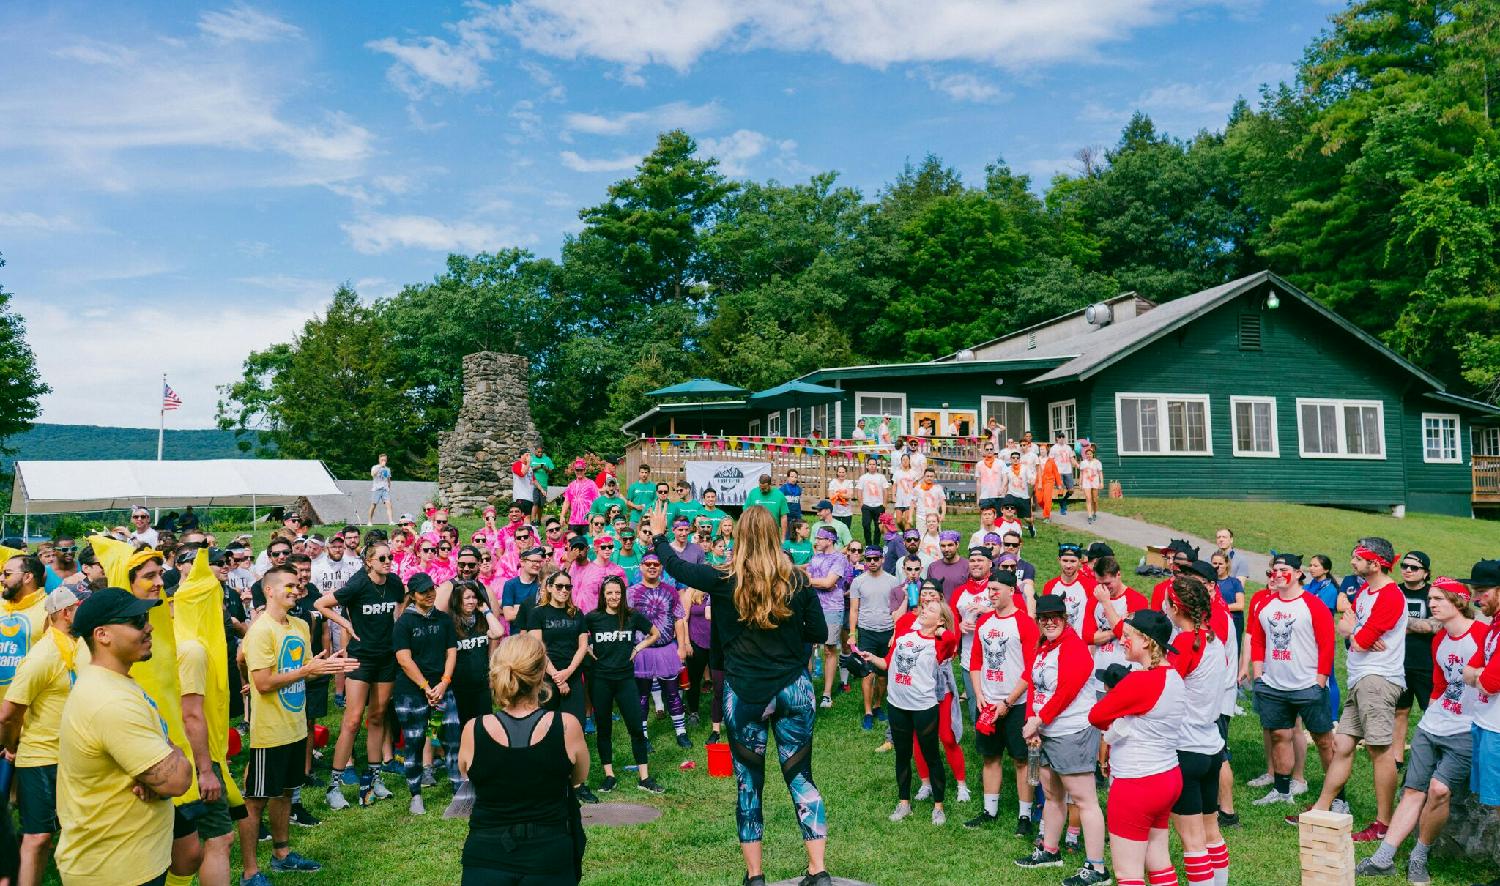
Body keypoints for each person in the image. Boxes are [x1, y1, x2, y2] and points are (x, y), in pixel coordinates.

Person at [649, 501, 832, 886]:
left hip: (744, 693)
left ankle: (756, 876)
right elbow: (818, 633)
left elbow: (679, 567)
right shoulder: (797, 580)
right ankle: (819, 871)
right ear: (774, 536)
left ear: (741, 537)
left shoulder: (724, 578)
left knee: (749, 783)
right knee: (801, 779)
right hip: (793, 690)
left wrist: (660, 535)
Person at [57, 588, 192, 886]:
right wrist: (168, 762)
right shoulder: (110, 701)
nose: (149, 626)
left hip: (128, 858)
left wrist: (157, 767)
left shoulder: (115, 682)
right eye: (136, 620)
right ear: (102, 635)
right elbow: (178, 780)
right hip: (115, 870)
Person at [1358, 576, 1485, 882]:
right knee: (1413, 790)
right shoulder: (1439, 640)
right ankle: (1383, 857)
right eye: (1430, 600)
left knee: (1439, 790)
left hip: (1467, 728)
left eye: (1439, 599)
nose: (1432, 605)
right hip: (1433, 724)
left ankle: (1419, 855)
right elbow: (1440, 684)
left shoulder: (1483, 634)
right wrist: (1431, 718)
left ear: (1459, 601)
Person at [240, 567, 355, 884]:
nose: (296, 589)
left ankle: (282, 854)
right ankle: (250, 872)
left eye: (298, 585)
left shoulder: (302, 625)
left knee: (286, 793)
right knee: (256, 799)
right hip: (269, 734)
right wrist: (307, 671)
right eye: (288, 585)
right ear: (269, 591)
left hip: (294, 728)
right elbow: (262, 683)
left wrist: (327, 666)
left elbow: (302, 669)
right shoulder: (261, 631)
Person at [1298, 537, 1407, 841]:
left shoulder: (1389, 596)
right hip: (1360, 677)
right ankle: (1321, 808)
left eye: (1359, 558)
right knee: (1342, 746)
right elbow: (1351, 633)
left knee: (1379, 750)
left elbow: (1353, 636)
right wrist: (1355, 632)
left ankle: (1383, 823)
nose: (1353, 563)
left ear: (1376, 563)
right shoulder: (1364, 592)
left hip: (1378, 679)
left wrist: (1354, 631)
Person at [459, 633, 589, 885]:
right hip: (548, 854)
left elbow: (468, 776)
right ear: (542, 674)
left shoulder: (473, 730)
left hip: (486, 856)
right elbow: (578, 778)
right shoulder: (566, 726)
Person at [1088, 609, 1186, 886]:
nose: (1122, 641)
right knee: (1159, 862)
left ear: (1145, 641)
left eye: (1128, 636)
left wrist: (1119, 722)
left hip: (1137, 782)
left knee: (1128, 874)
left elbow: (1096, 716)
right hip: (1167, 776)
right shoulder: (1173, 676)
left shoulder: (1140, 680)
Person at [1015, 594, 1105, 879]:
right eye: (1044, 618)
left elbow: (1066, 691)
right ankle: (1050, 851)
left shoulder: (1074, 648)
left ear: (1065, 619)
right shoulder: (1044, 648)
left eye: (1055, 616)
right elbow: (1034, 685)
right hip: (1047, 731)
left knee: (1084, 799)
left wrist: (1039, 720)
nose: (1049, 622)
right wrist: (1033, 720)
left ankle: (1096, 867)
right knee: (1053, 795)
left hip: (1071, 731)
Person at [0, 587, 82, 886]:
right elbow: (8, 713)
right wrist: (11, 746)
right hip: (41, 758)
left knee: (73, 833)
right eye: (79, 605)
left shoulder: (76, 646)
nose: (84, 609)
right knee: (39, 837)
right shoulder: (43, 655)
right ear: (65, 613)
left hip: (73, 756)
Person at [319, 540, 404, 809]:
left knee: (378, 717)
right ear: (369, 562)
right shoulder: (358, 584)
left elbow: (400, 605)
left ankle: (375, 779)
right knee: (353, 720)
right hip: (361, 658)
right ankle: (335, 784)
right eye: (382, 558)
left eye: (389, 557)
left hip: (386, 658)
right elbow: (322, 604)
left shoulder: (394, 583)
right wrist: (345, 622)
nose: (388, 562)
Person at [1247, 553, 1336, 805]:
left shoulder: (1312, 604)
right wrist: (1259, 674)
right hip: (1273, 685)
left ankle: (1337, 796)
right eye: (1274, 570)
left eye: (1284, 569)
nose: (1277, 574)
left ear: (1298, 573)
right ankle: (1282, 790)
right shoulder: (1266, 605)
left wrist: (1320, 681)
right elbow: (1258, 639)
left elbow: (1327, 644)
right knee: (1279, 736)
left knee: (1323, 741)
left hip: (1308, 685)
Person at [862, 597, 958, 825]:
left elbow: (952, 640)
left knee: (931, 755)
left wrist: (941, 630)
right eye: (925, 607)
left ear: (941, 620)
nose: (924, 610)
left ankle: (939, 806)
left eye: (931, 610)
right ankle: (904, 802)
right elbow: (887, 663)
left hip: (923, 706)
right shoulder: (906, 633)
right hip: (897, 704)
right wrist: (871, 657)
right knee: (902, 755)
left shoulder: (939, 643)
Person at [1165, 576, 1232, 886]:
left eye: (1166, 602)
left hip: (1185, 748)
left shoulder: (1183, 642)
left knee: (1192, 841)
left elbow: (1163, 688)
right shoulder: (1213, 639)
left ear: (1176, 607)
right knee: (1211, 832)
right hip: (1211, 746)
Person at [966, 572, 1039, 834]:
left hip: (1016, 703)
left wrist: (1009, 701)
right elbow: (975, 661)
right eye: (989, 589)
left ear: (1011, 590)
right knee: (990, 756)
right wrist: (979, 694)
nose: (991, 594)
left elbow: (1031, 669)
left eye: (997, 589)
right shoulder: (984, 621)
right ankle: (990, 809)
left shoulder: (1024, 623)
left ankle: (1024, 816)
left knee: (1021, 760)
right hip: (988, 701)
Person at [392, 572, 464, 816]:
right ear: (412, 596)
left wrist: (444, 683)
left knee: (452, 739)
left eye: (432, 589)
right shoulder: (404, 622)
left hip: (442, 688)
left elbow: (451, 652)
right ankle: (415, 794)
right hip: (411, 692)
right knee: (414, 741)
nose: (431, 594)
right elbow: (404, 659)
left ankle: (458, 790)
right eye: (424, 592)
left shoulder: (443, 619)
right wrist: (425, 687)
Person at [584, 575, 662, 794]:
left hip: (625, 679)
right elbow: (578, 638)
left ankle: (644, 778)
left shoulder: (631, 616)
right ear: (603, 595)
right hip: (601, 680)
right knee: (604, 729)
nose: (614, 596)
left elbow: (654, 633)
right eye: (609, 593)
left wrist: (637, 648)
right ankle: (609, 775)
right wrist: (588, 650)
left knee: (636, 727)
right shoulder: (593, 618)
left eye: (617, 593)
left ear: (623, 594)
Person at [1460, 559, 1500, 886]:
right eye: (1474, 591)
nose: (1476, 598)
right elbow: (1470, 669)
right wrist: (1478, 675)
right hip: (1486, 722)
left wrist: (1478, 675)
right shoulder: (1493, 627)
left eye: (1483, 591)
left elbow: (1488, 681)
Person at [629, 554, 691, 748]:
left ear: (661, 567)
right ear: (641, 567)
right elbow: (624, 621)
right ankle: (643, 736)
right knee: (642, 696)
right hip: (642, 651)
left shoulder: (671, 591)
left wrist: (681, 646)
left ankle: (681, 732)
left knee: (673, 693)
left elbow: (679, 619)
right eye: (648, 564)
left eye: (656, 564)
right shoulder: (631, 593)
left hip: (666, 649)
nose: (652, 567)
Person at [850, 546, 904, 731]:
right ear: (865, 561)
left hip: (887, 632)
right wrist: (851, 634)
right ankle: (867, 712)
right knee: (867, 673)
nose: (872, 562)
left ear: (882, 559)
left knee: (883, 675)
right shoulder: (858, 582)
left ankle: (878, 704)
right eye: (869, 559)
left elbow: (898, 610)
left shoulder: (893, 581)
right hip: (866, 631)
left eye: (876, 558)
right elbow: (854, 609)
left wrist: (896, 632)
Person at [1393, 550, 1436, 769]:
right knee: (1400, 710)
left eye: (1414, 567)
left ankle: (1434, 756)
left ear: (1425, 573)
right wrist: (1418, 626)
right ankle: (1396, 758)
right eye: (1404, 566)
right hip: (1397, 663)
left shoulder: (1433, 594)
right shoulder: (1394, 592)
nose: (1407, 570)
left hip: (1426, 664)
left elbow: (1433, 625)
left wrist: (1401, 623)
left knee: (1431, 710)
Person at [805, 527, 852, 709]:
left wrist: (813, 581)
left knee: (829, 649)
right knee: (808, 648)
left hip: (833, 608)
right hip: (813, 606)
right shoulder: (816, 557)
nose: (816, 541)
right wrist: (820, 582)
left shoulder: (839, 559)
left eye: (819, 538)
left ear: (830, 540)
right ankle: (808, 691)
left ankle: (826, 694)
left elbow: (829, 582)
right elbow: (818, 580)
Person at [1, 554, 50, 688]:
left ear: (27, 577)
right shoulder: (1, 605)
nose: (1, 579)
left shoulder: (50, 609)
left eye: (7, 574)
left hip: (26, 702)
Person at [1040, 543, 1097, 637]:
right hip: (1057, 643)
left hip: (1081, 643)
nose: (1068, 565)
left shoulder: (1090, 585)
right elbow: (1044, 617)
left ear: (1080, 561)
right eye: (1065, 560)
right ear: (1059, 560)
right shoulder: (1050, 586)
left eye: (1073, 561)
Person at [745, 474, 789, 539]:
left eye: (764, 488)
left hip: (773, 533)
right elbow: (746, 513)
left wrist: (783, 537)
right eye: (760, 487)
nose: (762, 489)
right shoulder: (753, 493)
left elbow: (784, 517)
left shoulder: (779, 495)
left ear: (770, 484)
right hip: (755, 533)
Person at [856, 459, 889, 546]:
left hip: (879, 506)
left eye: (874, 464)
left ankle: (876, 544)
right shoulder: (863, 478)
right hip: (866, 506)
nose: (872, 466)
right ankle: (868, 545)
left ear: (876, 466)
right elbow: (859, 491)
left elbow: (885, 490)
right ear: (867, 466)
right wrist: (861, 504)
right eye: (870, 464)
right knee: (866, 525)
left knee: (878, 527)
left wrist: (884, 504)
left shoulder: (881, 477)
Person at [562, 459, 599, 536]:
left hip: (587, 522)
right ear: (574, 470)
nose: (579, 472)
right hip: (573, 522)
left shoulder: (591, 484)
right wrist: (562, 516)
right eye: (577, 470)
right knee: (573, 545)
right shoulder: (571, 485)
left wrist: (596, 518)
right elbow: (567, 502)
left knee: (587, 545)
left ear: (584, 470)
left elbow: (597, 502)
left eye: (581, 470)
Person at [528, 442, 555, 525]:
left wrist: (545, 468)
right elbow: (529, 469)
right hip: (534, 484)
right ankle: (533, 521)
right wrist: (538, 466)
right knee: (535, 503)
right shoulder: (531, 459)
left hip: (544, 485)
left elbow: (551, 471)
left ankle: (539, 521)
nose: (539, 454)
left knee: (541, 505)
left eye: (541, 452)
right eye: (538, 452)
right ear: (535, 451)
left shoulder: (547, 459)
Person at [891, 454, 919, 531]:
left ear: (909, 461)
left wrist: (916, 499)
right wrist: (893, 496)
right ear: (901, 461)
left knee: (907, 521)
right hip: (899, 500)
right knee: (899, 521)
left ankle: (907, 537)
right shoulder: (897, 473)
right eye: (903, 459)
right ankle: (905, 532)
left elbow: (916, 487)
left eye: (907, 459)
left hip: (909, 500)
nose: (905, 461)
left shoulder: (913, 473)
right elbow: (894, 485)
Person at [1077, 444, 1103, 524]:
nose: (1089, 455)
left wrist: (1101, 482)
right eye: (1087, 454)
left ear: (1093, 454)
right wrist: (1080, 483)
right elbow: (1081, 473)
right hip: (1086, 482)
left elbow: (1100, 473)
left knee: (1094, 500)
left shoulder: (1097, 462)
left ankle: (1094, 512)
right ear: (1085, 455)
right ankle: (1089, 515)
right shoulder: (1083, 463)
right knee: (1088, 499)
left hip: (1095, 482)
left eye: (1090, 454)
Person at [368, 453, 394, 526]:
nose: (384, 461)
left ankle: (391, 521)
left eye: (385, 460)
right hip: (376, 489)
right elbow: (373, 474)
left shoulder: (387, 469)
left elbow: (388, 478)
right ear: (379, 460)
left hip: (385, 489)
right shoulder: (375, 467)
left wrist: (389, 486)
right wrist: (380, 467)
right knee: (373, 505)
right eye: (382, 459)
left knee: (389, 505)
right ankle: (369, 521)